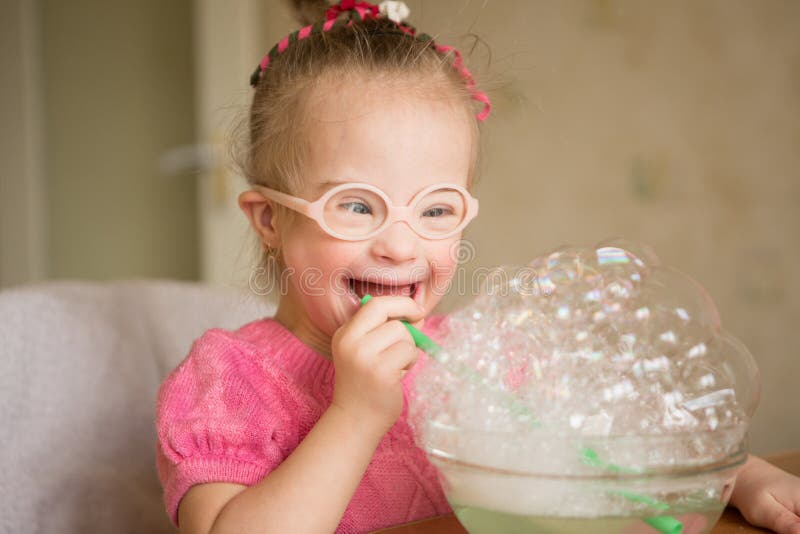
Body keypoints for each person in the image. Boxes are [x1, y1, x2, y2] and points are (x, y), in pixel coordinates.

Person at [155, 1, 800, 533]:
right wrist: (354, 416)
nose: (401, 248)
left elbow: (610, 447)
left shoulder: (473, 359)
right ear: (269, 220)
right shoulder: (226, 380)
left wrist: (747, 478)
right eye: (357, 206)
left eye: (436, 211)